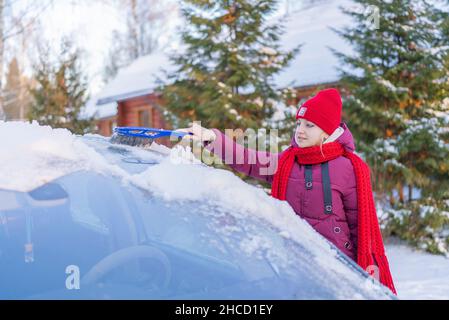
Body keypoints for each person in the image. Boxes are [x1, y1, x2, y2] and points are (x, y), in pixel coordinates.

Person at [176, 88, 397, 295]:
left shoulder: (347, 168)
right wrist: (212, 139)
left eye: (309, 125)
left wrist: (363, 275)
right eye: (299, 123)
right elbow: (250, 161)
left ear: (326, 131)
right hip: (295, 263)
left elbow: (361, 226)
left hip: (335, 268)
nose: (300, 131)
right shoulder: (288, 161)